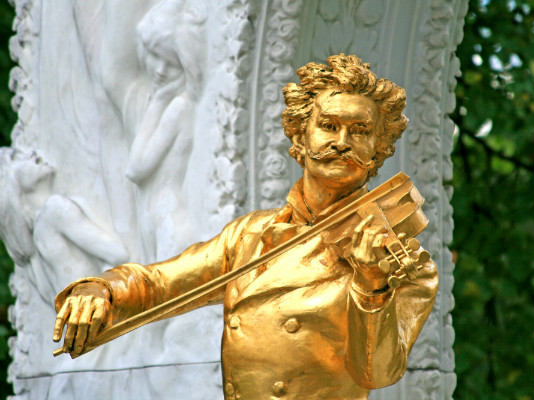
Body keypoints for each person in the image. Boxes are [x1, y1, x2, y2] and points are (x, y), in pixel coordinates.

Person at [53, 54, 438, 400]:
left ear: (378, 149)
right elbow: (160, 284)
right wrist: (100, 288)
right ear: (300, 135)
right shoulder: (248, 235)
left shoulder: (404, 261)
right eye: (328, 125)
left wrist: (371, 286)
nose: (341, 142)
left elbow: (378, 373)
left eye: (359, 130)